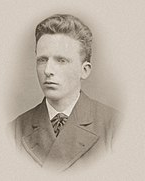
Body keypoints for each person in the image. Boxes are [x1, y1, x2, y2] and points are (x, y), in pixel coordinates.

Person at [12, 14, 120, 171]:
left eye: (61, 60)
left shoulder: (115, 127)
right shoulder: (14, 130)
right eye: (42, 60)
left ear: (84, 70)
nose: (48, 71)